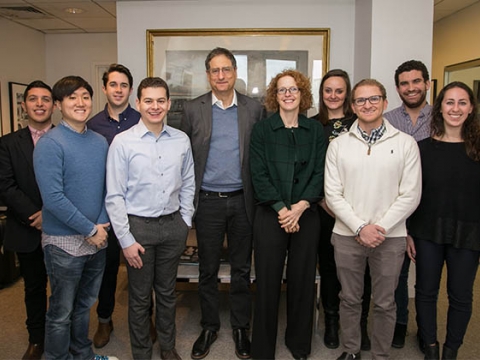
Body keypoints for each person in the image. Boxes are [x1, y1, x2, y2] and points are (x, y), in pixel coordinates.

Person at [325, 79, 421, 360]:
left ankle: (380, 355)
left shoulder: (405, 144)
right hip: (347, 235)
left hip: (389, 237)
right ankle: (351, 350)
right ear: (353, 106)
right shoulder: (339, 145)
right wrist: (359, 227)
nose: (367, 105)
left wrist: (378, 228)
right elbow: (332, 194)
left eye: (373, 99)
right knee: (350, 299)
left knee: (384, 302)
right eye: (361, 100)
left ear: (385, 103)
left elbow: (411, 194)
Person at [180, 47, 264, 360]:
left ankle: (241, 327)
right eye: (214, 70)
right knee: (207, 269)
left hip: (244, 201)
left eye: (226, 69)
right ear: (207, 74)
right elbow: (184, 158)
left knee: (242, 269)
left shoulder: (253, 109)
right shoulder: (192, 109)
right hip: (208, 202)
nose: (221, 76)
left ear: (235, 72)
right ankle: (210, 326)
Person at [106, 77, 194, 360]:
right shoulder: (123, 142)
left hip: (172, 227)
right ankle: (142, 353)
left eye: (160, 101)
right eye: (148, 101)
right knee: (140, 298)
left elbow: (189, 182)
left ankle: (168, 348)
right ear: (138, 104)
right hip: (138, 228)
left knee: (168, 294)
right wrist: (126, 239)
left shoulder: (181, 140)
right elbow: (114, 195)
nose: (155, 107)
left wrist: (185, 222)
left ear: (168, 104)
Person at [33, 75, 117, 360]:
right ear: (58, 105)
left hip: (97, 240)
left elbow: (108, 187)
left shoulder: (99, 141)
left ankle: (82, 354)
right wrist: (89, 229)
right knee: (61, 311)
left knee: (84, 306)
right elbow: (53, 199)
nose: (80, 103)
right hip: (63, 244)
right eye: (72, 98)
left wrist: (101, 226)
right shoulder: (50, 144)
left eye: (84, 96)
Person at [250, 69, 326, 360]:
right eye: (282, 90)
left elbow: (320, 173)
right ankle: (263, 348)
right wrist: (283, 210)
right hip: (272, 215)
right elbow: (258, 174)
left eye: (293, 89)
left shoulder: (315, 130)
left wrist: (301, 206)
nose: (288, 94)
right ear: (274, 95)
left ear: (302, 93)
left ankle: (299, 344)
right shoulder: (262, 130)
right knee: (268, 282)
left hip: (305, 215)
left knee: (303, 281)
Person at [407, 81, 480, 360]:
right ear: (440, 108)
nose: (455, 108)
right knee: (425, 292)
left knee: (461, 296)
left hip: (470, 233)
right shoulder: (421, 149)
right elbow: (412, 195)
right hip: (427, 231)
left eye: (462, 102)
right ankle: (431, 347)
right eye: (449, 102)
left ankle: (451, 350)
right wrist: (409, 233)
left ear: (471, 108)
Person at [87, 63, 150, 349]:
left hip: (138, 210)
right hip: (106, 211)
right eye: (113, 84)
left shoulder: (143, 120)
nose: (118, 89)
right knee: (108, 269)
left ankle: (145, 318)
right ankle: (104, 319)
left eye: (124, 85)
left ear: (130, 90)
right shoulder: (92, 124)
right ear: (105, 88)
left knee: (142, 270)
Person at [315, 69, 372, 351]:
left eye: (339, 91)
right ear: (321, 94)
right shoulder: (313, 125)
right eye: (328, 90)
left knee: (362, 272)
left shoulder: (361, 124)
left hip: (360, 214)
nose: (333, 96)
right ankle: (333, 322)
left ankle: (360, 326)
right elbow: (311, 169)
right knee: (329, 269)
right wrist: (325, 203)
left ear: (347, 94)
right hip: (324, 211)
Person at [0, 80, 53, 360]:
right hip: (27, 227)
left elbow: (76, 182)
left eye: (46, 99)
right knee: (33, 287)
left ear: (54, 104)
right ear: (24, 105)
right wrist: (36, 215)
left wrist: (52, 213)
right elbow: (6, 186)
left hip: (63, 229)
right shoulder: (8, 143)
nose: (40, 104)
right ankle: (36, 339)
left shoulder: (67, 138)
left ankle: (61, 337)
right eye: (34, 99)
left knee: (64, 289)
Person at [383, 60, 432, 348]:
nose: (411, 88)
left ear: (427, 83)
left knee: (427, 276)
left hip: (431, 207)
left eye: (416, 82)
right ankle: (400, 323)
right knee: (397, 274)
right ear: (398, 88)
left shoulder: (443, 116)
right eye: (404, 83)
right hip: (397, 205)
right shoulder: (387, 118)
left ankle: (427, 332)